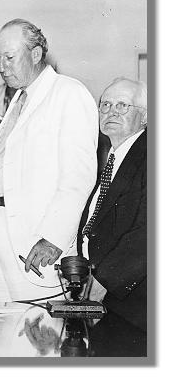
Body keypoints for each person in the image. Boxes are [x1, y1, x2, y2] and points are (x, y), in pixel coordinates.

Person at [0, 18, 98, 301]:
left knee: (40, 334)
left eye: (9, 57)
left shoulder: (68, 93)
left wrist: (54, 237)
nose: (1, 67)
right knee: (2, 335)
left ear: (35, 54)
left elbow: (78, 177)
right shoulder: (19, 99)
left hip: (36, 244)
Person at [77, 77, 147, 330]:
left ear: (146, 116)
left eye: (122, 105)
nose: (111, 112)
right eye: (105, 105)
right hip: (103, 298)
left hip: (132, 305)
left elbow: (149, 232)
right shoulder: (112, 158)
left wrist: (103, 283)